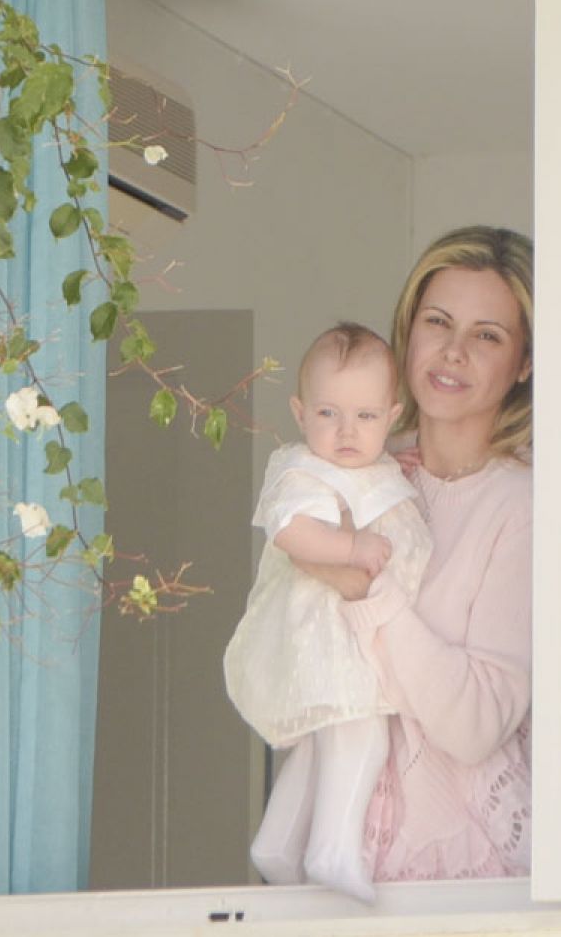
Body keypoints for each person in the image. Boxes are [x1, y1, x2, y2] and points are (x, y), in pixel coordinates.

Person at [302, 226, 534, 882]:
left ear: (523, 364)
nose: (453, 352)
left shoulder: (522, 505)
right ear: (407, 333)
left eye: (487, 335)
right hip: (346, 868)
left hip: (467, 876)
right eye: (438, 322)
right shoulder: (362, 483)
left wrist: (365, 592)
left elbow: (475, 726)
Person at [224, 322, 432, 903]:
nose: (347, 431)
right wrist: (350, 548)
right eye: (328, 414)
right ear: (299, 412)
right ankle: (333, 849)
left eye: (366, 416)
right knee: (362, 732)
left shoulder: (375, 468)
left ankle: (279, 842)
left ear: (391, 417)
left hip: (344, 633)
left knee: (323, 740)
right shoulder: (305, 471)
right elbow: (290, 532)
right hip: (328, 632)